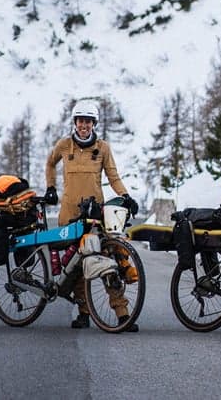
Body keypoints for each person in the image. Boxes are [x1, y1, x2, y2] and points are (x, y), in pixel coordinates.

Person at [44, 99, 140, 331]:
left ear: (93, 123)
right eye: (80, 120)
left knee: (108, 260)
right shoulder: (64, 146)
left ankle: (122, 314)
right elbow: (50, 163)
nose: (84, 125)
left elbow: (113, 176)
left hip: (96, 213)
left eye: (88, 121)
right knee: (76, 266)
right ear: (75, 122)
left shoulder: (103, 148)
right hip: (69, 213)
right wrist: (50, 188)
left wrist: (126, 196)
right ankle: (83, 313)